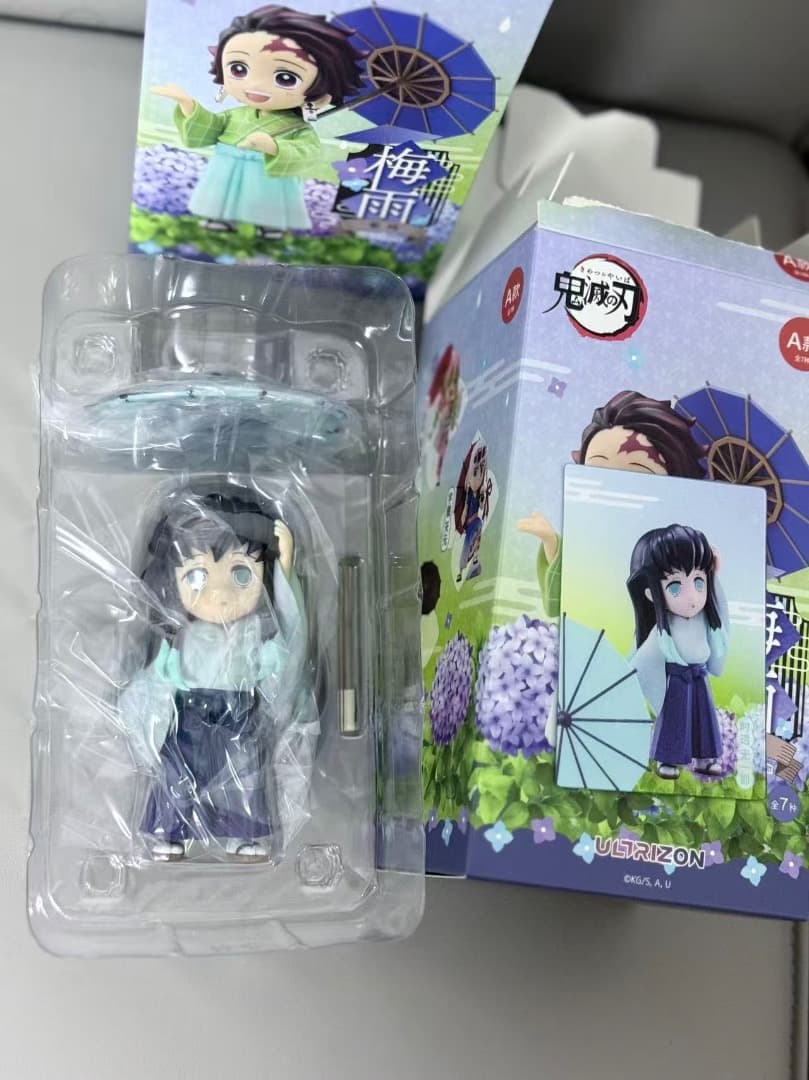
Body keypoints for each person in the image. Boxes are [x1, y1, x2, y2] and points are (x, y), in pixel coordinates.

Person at [118, 487, 313, 860]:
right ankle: (167, 830)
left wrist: (286, 567)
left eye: (241, 574)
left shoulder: (250, 633)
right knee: (177, 777)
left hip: (239, 717)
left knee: (243, 780)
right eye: (196, 576)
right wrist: (148, 699)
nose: (220, 594)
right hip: (187, 720)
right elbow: (161, 673)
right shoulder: (181, 635)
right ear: (172, 580)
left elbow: (281, 657)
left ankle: (243, 833)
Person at [152, 5, 364, 231]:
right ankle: (221, 218)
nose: (255, 85)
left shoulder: (297, 127)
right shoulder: (235, 115)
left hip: (267, 174)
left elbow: (309, 152)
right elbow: (211, 128)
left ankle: (270, 225)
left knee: (268, 202)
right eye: (239, 69)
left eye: (285, 78)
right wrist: (188, 104)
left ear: (321, 92)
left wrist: (273, 147)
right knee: (224, 195)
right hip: (229, 165)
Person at [517, 390, 706, 618]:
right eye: (598, 472)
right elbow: (564, 599)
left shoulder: (674, 542)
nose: (614, 487)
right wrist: (552, 544)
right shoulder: (592, 533)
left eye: (637, 476)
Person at [627, 524, 728, 780]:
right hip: (676, 680)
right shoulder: (663, 629)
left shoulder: (705, 618)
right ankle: (669, 760)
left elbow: (721, 616)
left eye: (698, 581)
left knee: (703, 719)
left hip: (699, 676)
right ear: (651, 593)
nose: (692, 597)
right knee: (674, 720)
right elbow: (644, 659)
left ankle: (705, 757)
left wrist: (715, 575)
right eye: (674, 587)